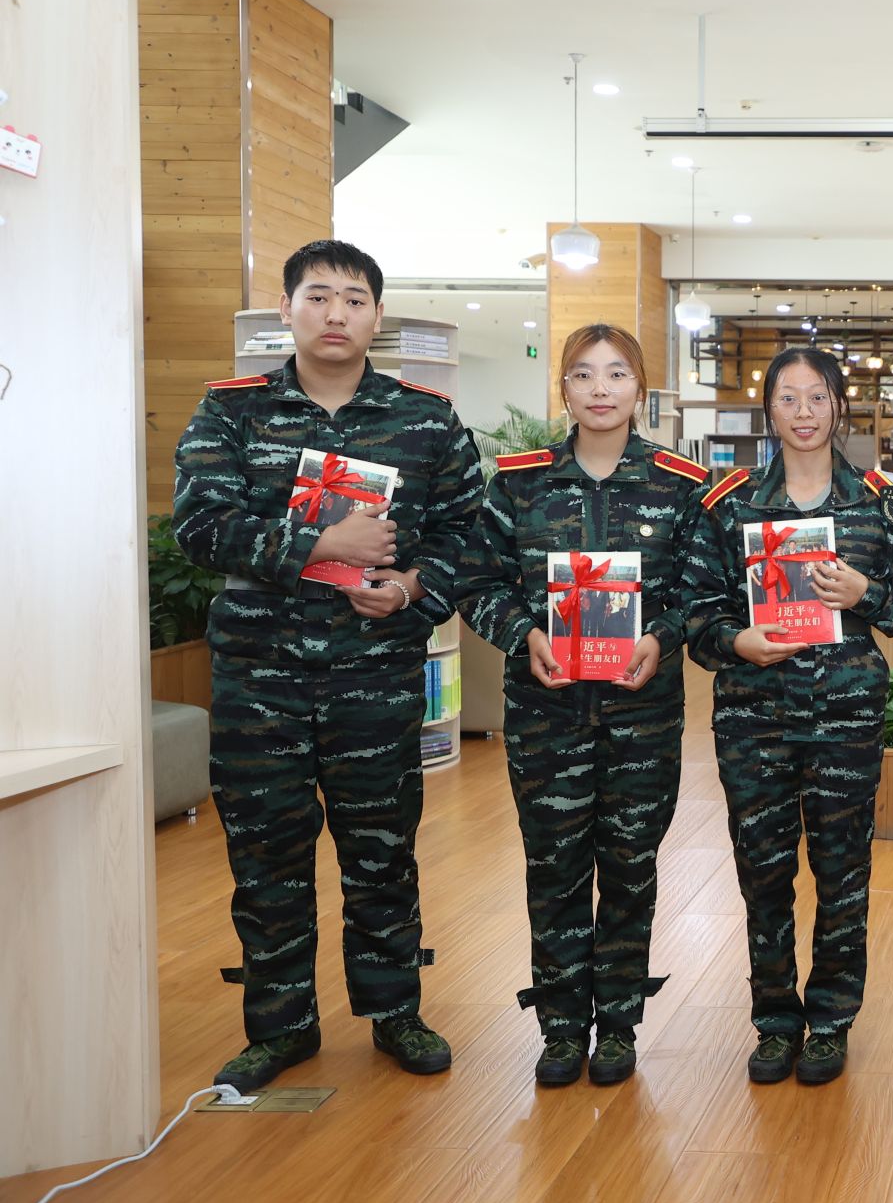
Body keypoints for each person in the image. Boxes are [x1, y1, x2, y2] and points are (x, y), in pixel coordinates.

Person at [173, 238, 484, 1091]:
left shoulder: (425, 419)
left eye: (353, 299)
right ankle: (281, 1028)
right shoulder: (232, 411)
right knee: (265, 857)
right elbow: (199, 525)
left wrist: (413, 587)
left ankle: (395, 1012)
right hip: (259, 683)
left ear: (377, 316)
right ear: (287, 309)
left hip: (374, 675)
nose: (335, 313)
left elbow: (470, 535)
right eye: (317, 297)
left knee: (382, 852)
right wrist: (320, 542)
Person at [457, 324, 707, 1086]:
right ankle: (562, 1027)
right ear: (562, 388)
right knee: (555, 870)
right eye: (585, 374)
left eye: (618, 373)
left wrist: (662, 636)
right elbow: (477, 581)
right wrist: (524, 633)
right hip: (546, 715)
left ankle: (620, 1025)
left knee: (630, 869)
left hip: (643, 717)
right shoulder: (518, 484)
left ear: (641, 388)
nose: (601, 388)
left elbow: (701, 590)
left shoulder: (679, 484)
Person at [682, 347, 893, 1085]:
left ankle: (829, 1021)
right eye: (787, 397)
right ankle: (774, 1020)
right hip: (753, 718)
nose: (802, 412)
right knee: (762, 873)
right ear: (769, 409)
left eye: (817, 397)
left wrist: (864, 593)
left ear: (838, 406)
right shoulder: (728, 502)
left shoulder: (880, 502)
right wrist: (737, 641)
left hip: (845, 716)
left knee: (842, 870)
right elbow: (694, 612)